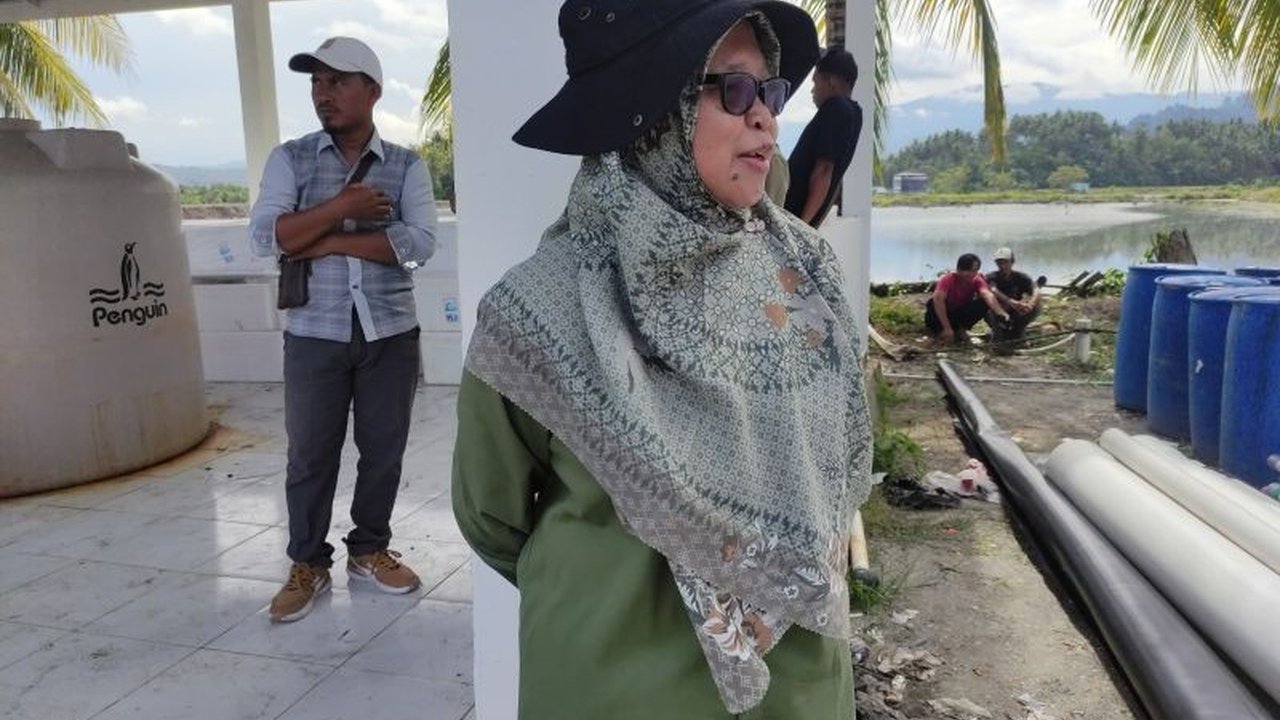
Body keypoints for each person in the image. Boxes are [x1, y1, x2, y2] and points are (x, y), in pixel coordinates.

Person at [452, 1, 873, 717]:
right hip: (608, 684)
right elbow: (492, 516)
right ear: (649, 112)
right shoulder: (538, 310)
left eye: (768, 92)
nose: (767, 119)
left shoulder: (807, 277)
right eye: (735, 92)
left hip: (796, 690)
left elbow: (837, 466)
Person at [248, 36, 437, 623]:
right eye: (315, 82)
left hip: (390, 333)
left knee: (383, 450)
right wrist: (341, 207)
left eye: (337, 81)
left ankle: (370, 549)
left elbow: (418, 244)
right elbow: (266, 238)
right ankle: (307, 562)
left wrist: (320, 237)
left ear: (372, 91)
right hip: (313, 334)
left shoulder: (407, 165)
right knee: (310, 454)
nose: (322, 94)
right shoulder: (290, 158)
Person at [783, 47, 863, 227]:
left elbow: (824, 171)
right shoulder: (855, 113)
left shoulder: (837, 108)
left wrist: (801, 226)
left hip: (792, 215)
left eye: (815, 82)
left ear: (831, 81)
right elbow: (834, 177)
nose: (812, 90)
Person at [925, 253, 1010, 343]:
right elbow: (938, 301)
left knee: (983, 303)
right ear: (959, 269)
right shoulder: (947, 279)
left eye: (974, 271)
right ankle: (945, 330)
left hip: (957, 314)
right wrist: (947, 328)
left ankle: (960, 329)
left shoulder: (976, 280)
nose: (970, 274)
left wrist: (1001, 312)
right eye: (967, 270)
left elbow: (987, 294)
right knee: (933, 302)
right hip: (940, 315)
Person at [985, 246, 1042, 341]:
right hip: (997, 311)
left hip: (1015, 311)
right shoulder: (991, 277)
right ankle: (998, 332)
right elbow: (992, 290)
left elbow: (1036, 289)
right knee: (987, 309)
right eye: (999, 262)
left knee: (1036, 307)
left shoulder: (1021, 277)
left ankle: (1018, 329)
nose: (1002, 266)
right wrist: (1010, 302)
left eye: (1006, 262)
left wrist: (1030, 304)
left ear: (1012, 262)